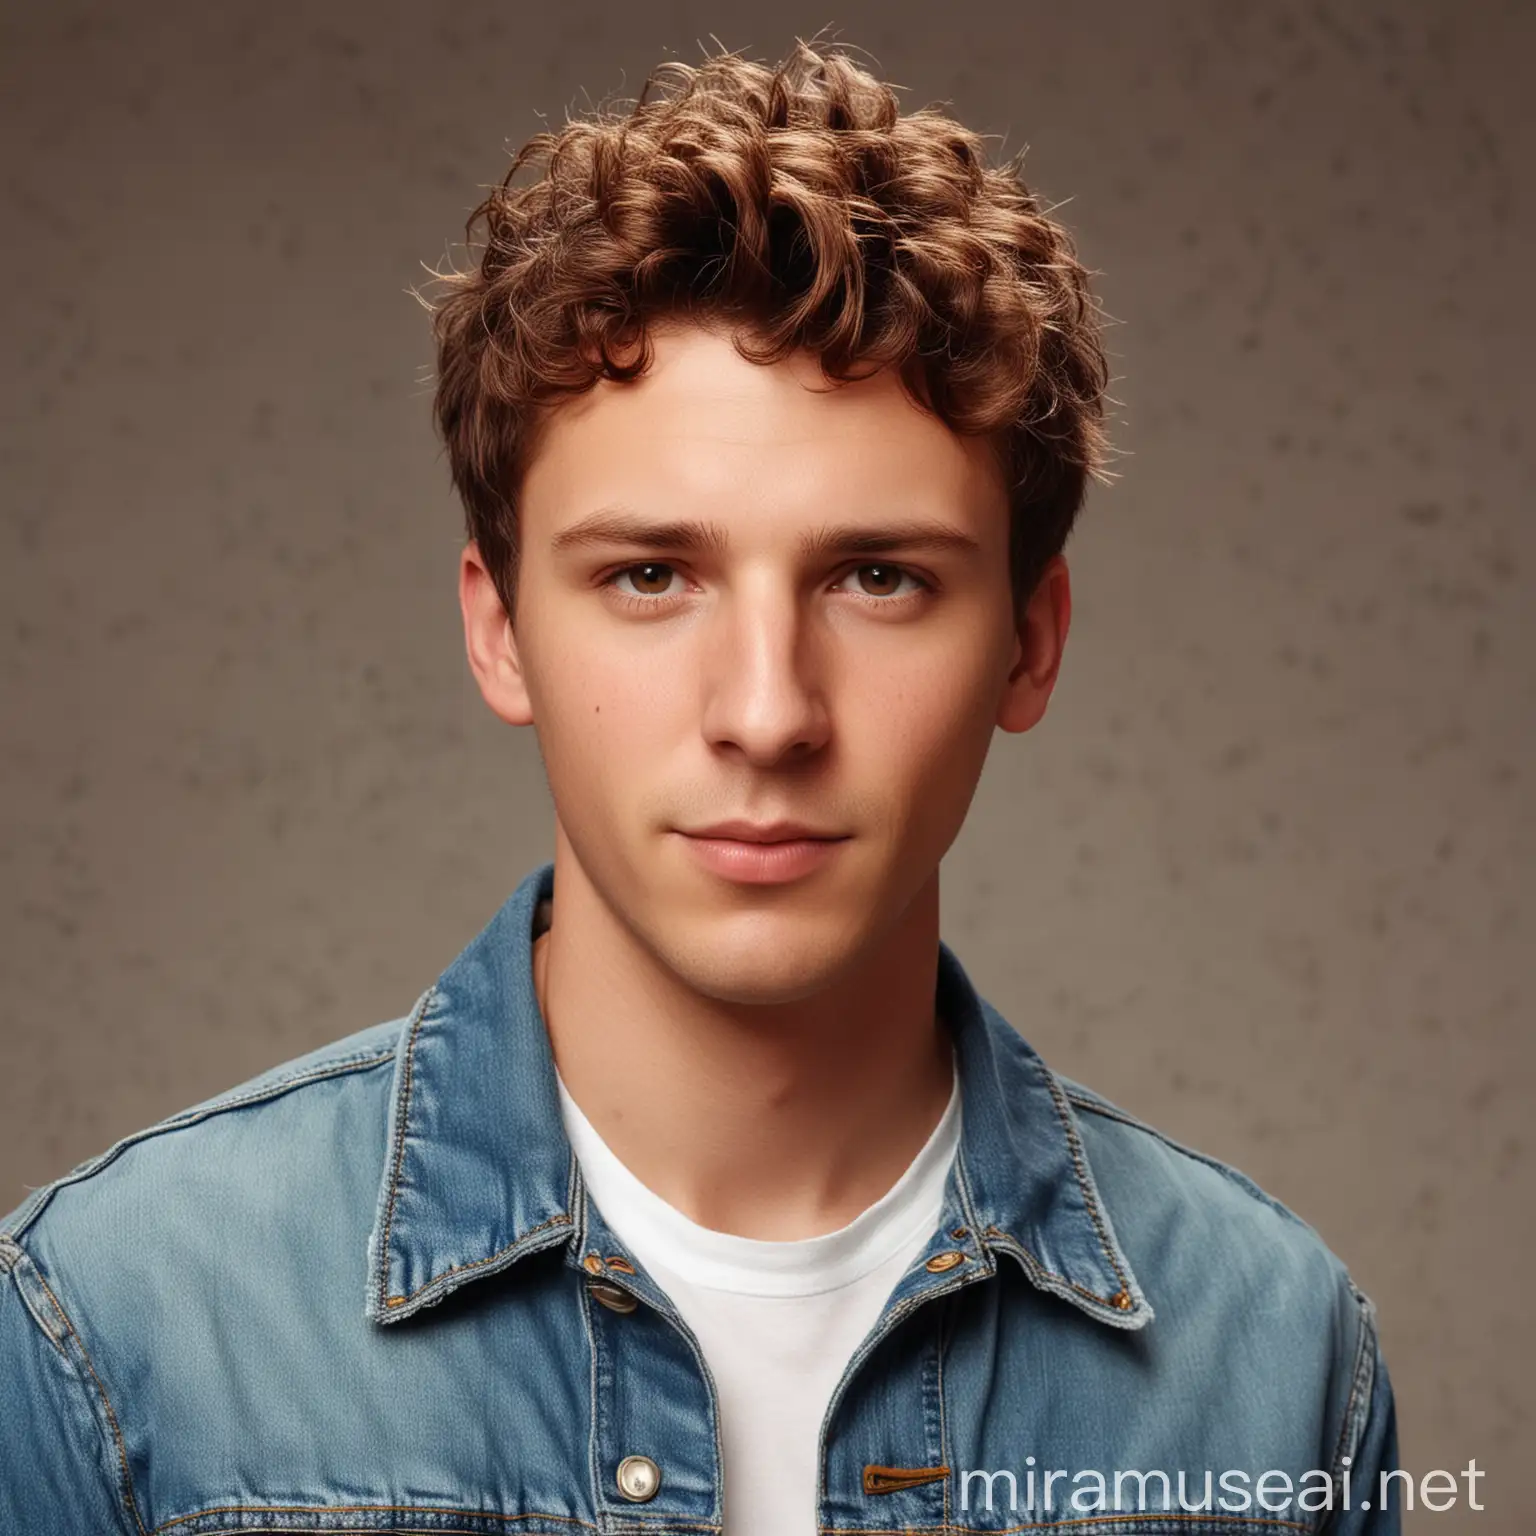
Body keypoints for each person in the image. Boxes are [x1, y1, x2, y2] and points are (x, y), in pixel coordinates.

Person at [0, 38, 1398, 1536]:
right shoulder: (118, 1332)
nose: (767, 712)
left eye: (878, 577)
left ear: (1028, 645)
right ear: (499, 629)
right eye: (652, 575)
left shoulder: (1274, 1358)